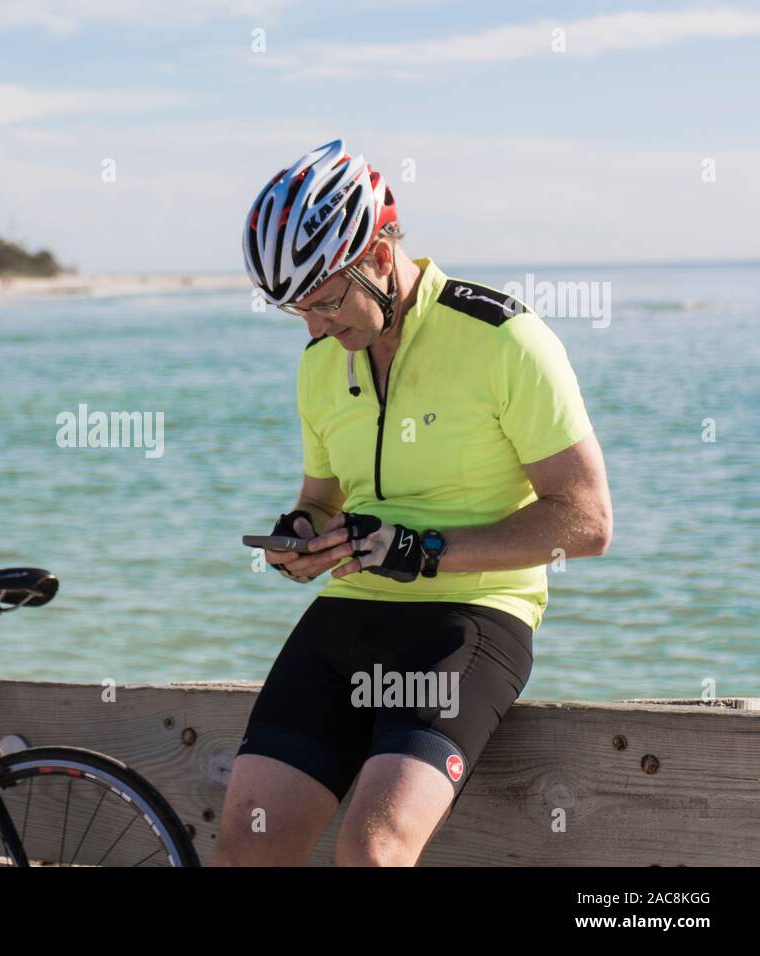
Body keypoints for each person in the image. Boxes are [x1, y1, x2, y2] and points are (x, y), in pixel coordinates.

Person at [212, 139, 612, 866]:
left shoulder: (505, 340)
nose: (315, 328)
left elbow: (585, 521)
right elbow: (320, 499)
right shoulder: (318, 364)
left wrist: (425, 551)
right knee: (246, 843)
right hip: (347, 616)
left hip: (472, 619)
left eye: (326, 301)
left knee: (372, 851)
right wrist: (301, 536)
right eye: (296, 310)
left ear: (380, 253)